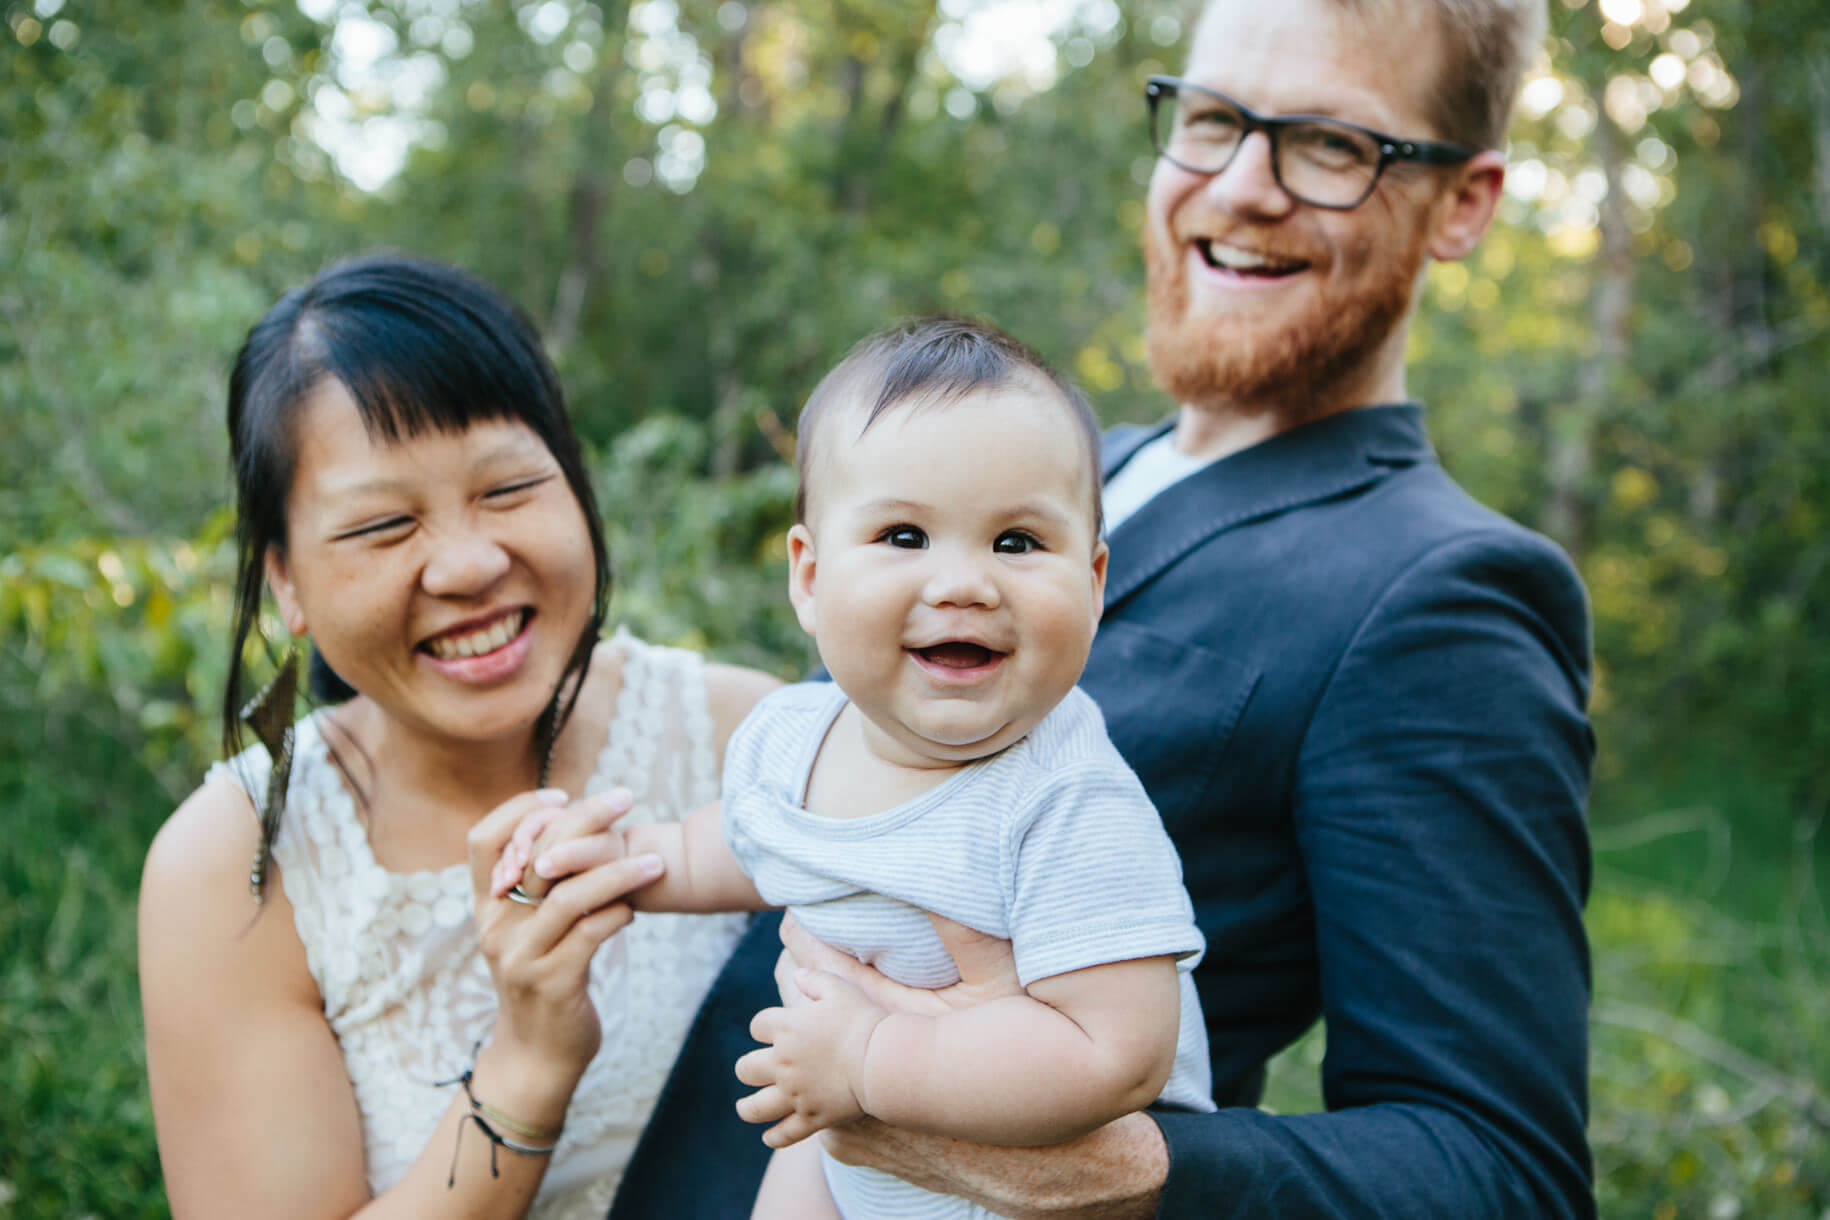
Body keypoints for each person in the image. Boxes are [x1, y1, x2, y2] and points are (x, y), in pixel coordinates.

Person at [609, 0, 1596, 1217]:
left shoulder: (1443, 597)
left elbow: (1501, 1173)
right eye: (1216, 118)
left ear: (1465, 202)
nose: (1240, 186)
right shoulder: (1025, 481)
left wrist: (1114, 1172)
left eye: (1332, 145)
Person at [497, 318, 1215, 1219]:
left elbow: (1119, 1052)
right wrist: (634, 863)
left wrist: (871, 1060)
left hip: (1039, 1187)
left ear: (1096, 579)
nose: (964, 584)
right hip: (850, 1146)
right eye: (906, 537)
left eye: (1019, 543)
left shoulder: (1066, 800)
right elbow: (745, 844)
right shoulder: (794, 738)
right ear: (808, 576)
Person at [137, 252, 779, 1219]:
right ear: (287, 582)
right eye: (384, 526)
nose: (472, 563)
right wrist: (527, 1061)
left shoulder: (751, 742)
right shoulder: (234, 866)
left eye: (509, 489)